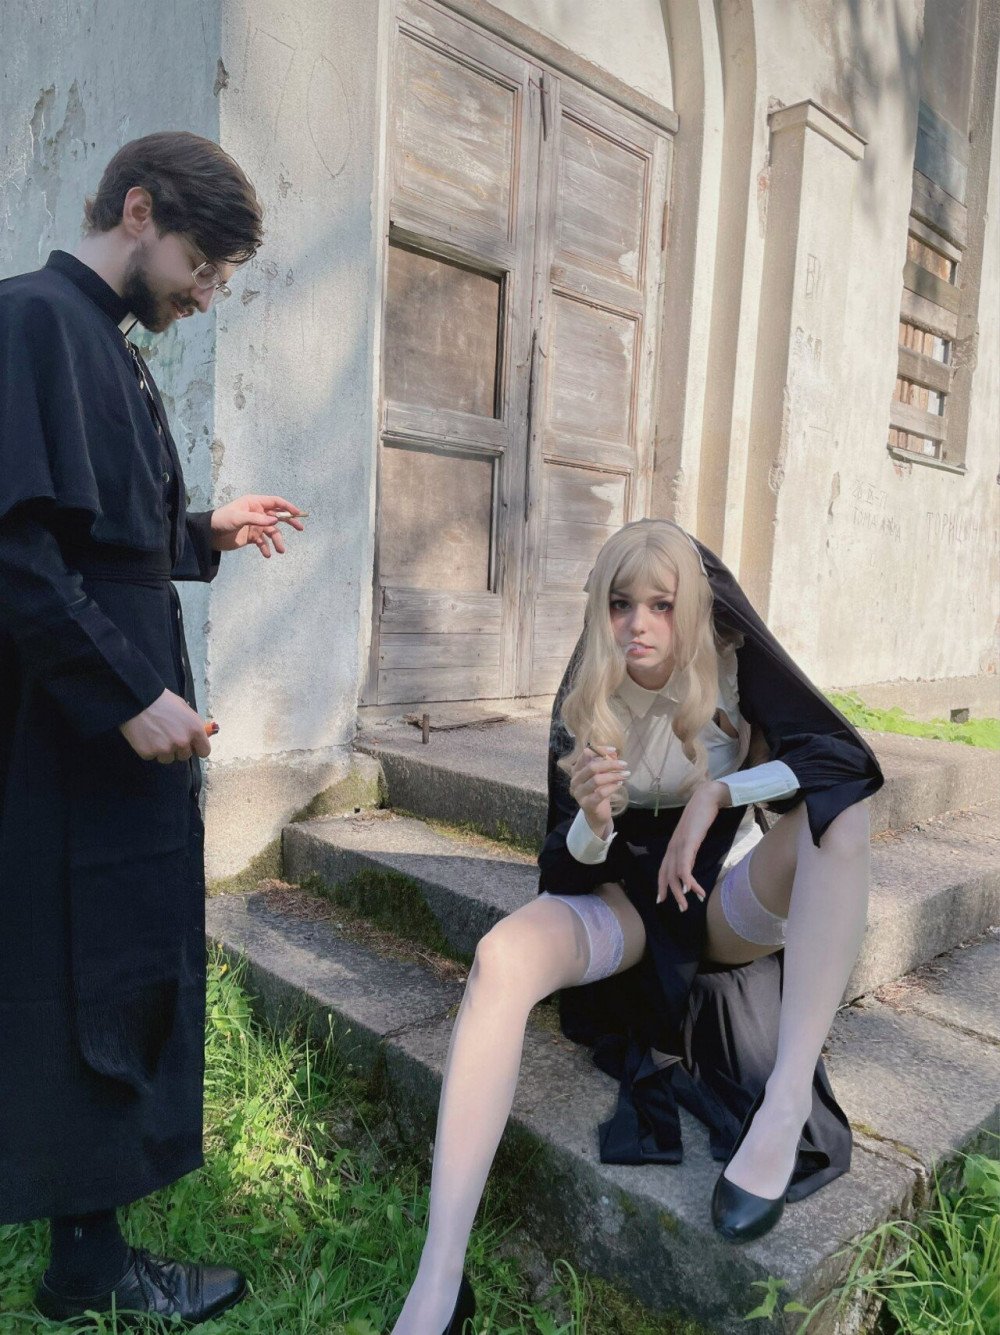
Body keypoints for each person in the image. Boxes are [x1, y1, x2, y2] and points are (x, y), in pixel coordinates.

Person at [390, 519, 883, 1335]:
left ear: (697, 608)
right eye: (621, 603)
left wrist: (717, 793)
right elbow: (564, 867)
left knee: (843, 817)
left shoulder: (731, 663)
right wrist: (593, 820)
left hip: (718, 901)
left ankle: (785, 1100)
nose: (639, 624)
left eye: (662, 604)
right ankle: (439, 1281)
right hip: (627, 904)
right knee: (500, 957)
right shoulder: (589, 689)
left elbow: (846, 762)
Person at [0, 131, 306, 1325]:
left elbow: (98, 533)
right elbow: (17, 551)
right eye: (203, 266)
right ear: (139, 211)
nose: (206, 293)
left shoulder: (104, 342)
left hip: (114, 736)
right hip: (70, 736)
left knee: (118, 965)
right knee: (76, 972)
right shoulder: (33, 321)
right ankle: (87, 1271)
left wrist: (200, 532)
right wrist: (126, 695)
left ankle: (92, 1250)